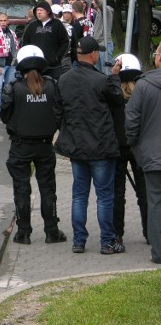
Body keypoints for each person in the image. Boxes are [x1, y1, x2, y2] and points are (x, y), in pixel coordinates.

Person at [55, 36, 125, 255]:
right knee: (104, 196)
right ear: (93, 54)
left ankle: (79, 241)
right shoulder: (101, 80)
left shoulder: (64, 80)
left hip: (77, 147)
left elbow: (58, 113)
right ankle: (106, 242)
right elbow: (118, 101)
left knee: (79, 195)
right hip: (101, 147)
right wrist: (114, 77)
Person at [0, 45, 66, 245]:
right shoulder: (52, 86)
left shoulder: (14, 87)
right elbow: (59, 113)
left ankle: (24, 233)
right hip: (45, 145)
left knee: (21, 189)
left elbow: (5, 116)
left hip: (21, 146)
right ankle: (52, 232)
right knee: (48, 189)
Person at [125, 42, 161, 263]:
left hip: (152, 156)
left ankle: (158, 253)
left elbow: (131, 123)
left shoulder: (143, 86)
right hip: (151, 154)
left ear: (158, 58)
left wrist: (135, 147)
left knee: (155, 203)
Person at [112, 54, 147, 247]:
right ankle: (150, 232)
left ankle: (117, 234)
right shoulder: (142, 94)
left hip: (117, 148)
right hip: (139, 147)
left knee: (117, 193)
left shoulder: (112, 95)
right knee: (144, 191)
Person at [21, 1, 69, 80]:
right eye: (37, 10)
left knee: (56, 88)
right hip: (36, 66)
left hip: (54, 66)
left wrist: (57, 57)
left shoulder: (57, 24)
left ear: (48, 11)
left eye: (41, 10)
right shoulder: (31, 26)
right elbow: (25, 44)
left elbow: (65, 43)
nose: (39, 12)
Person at [0, 13, 19, 119]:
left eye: (5, 20)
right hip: (0, 65)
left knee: (9, 88)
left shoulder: (11, 33)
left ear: (8, 21)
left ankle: (7, 109)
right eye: (1, 20)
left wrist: (15, 61)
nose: (3, 22)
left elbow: (15, 48)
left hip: (11, 65)